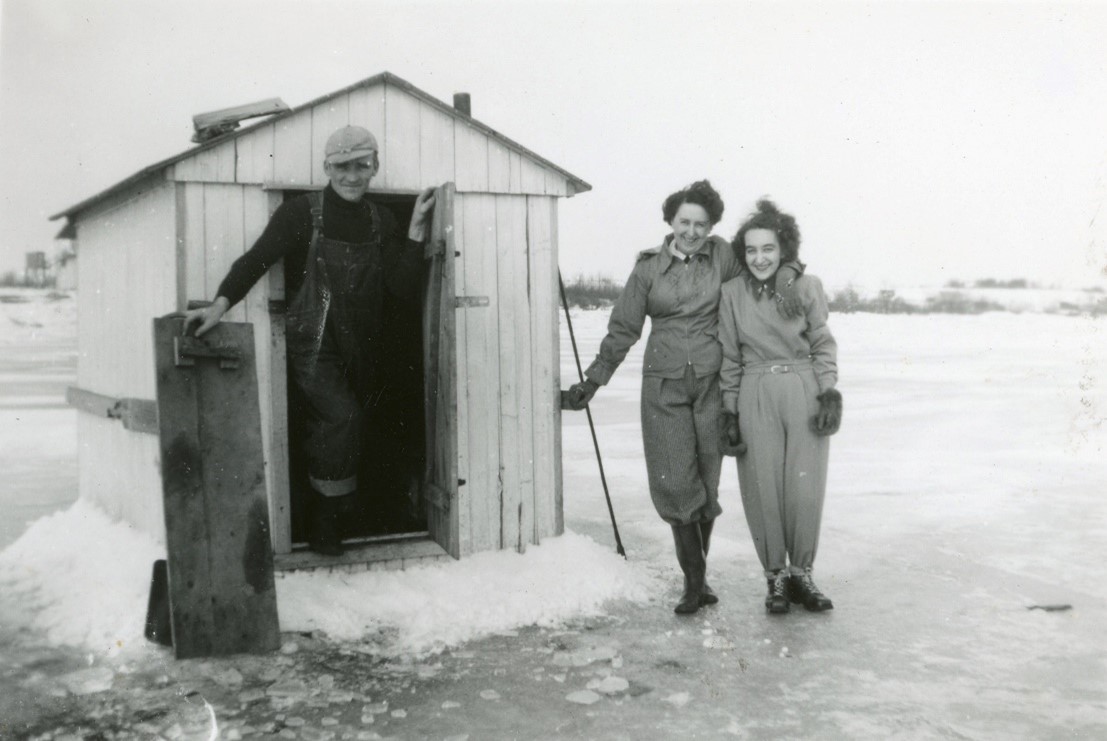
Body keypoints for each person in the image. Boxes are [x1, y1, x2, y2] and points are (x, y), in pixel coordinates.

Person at [183, 125, 435, 556]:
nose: (352, 176)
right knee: (342, 418)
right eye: (342, 166)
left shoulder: (381, 220)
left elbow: (402, 287)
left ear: (375, 166)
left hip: (364, 339)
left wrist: (413, 232)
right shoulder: (301, 213)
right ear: (326, 167)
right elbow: (256, 259)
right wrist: (219, 305)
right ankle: (325, 520)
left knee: (354, 424)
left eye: (362, 165)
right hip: (314, 339)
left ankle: (347, 507)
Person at [565, 181, 805, 615]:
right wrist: (594, 381)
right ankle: (693, 584)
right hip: (664, 387)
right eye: (684, 222)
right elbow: (623, 329)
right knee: (677, 484)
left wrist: (789, 271)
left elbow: (763, 270)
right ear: (670, 222)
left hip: (713, 384)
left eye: (701, 224)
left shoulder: (724, 258)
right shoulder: (648, 270)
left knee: (706, 485)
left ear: (711, 226)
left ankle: (700, 577)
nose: (692, 231)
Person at [718, 199, 841, 614]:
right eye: (751, 250)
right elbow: (730, 358)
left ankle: (801, 574)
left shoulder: (807, 287)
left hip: (802, 387)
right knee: (762, 487)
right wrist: (730, 412)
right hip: (754, 389)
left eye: (768, 249)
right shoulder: (732, 294)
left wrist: (828, 392)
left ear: (784, 248)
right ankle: (775, 578)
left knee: (805, 488)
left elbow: (822, 344)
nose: (759, 258)